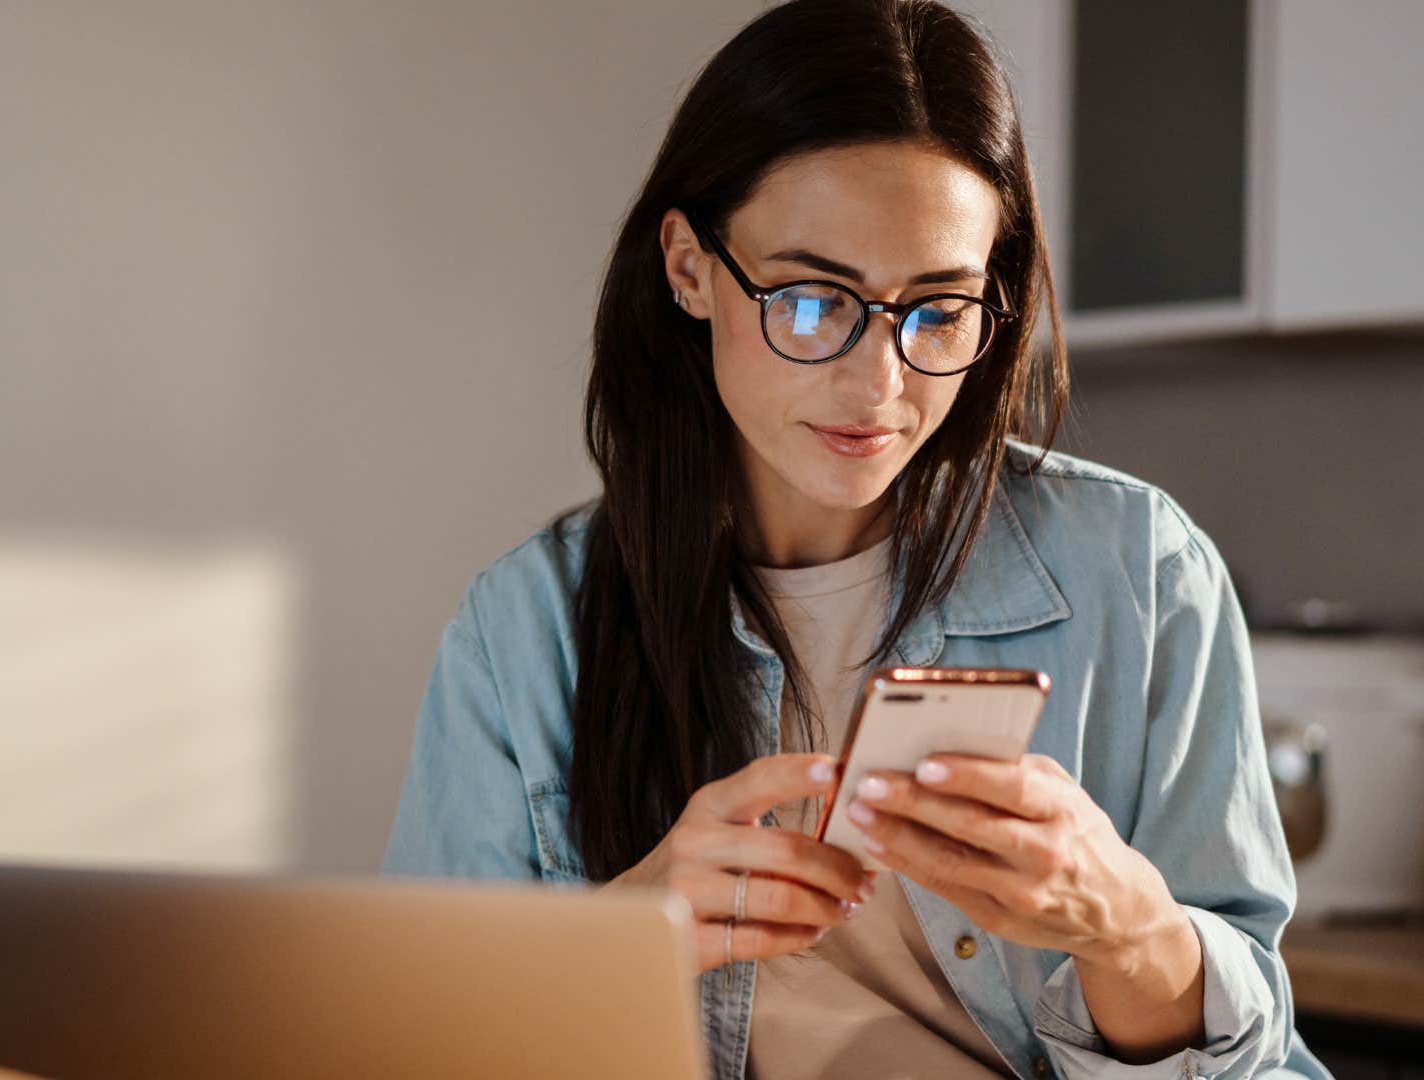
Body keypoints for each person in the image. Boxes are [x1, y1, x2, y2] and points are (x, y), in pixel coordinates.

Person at [383, 1, 1331, 1077]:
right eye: (809, 299)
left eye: (936, 310)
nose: (876, 383)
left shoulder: (1143, 575)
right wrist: (625, 932)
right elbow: (417, 1042)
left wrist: (1127, 929)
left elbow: (1259, 1064)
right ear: (689, 267)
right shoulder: (525, 633)